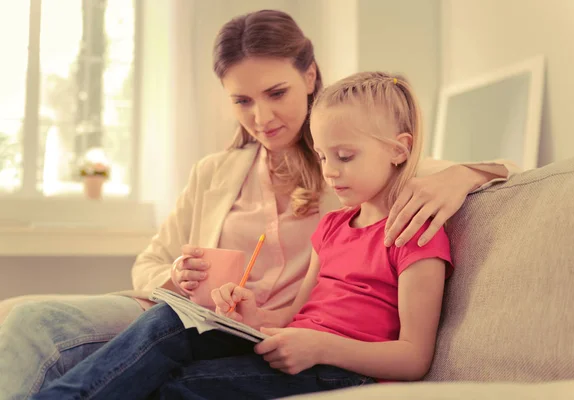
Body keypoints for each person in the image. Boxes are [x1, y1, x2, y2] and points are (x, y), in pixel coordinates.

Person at [0, 9, 518, 400]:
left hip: (309, 349)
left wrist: (466, 173)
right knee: (39, 320)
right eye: (242, 101)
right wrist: (184, 280)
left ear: (310, 77)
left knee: (176, 380)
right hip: (241, 323)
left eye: (276, 93)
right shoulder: (229, 177)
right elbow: (153, 266)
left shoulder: (366, 168)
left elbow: (494, 171)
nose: (262, 117)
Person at [33, 70, 454, 400]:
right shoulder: (331, 227)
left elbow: (414, 357)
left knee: (180, 387)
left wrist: (318, 347)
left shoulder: (414, 234)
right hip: (299, 354)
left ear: (399, 149)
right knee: (171, 319)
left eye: (345, 156)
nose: (329, 171)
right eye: (324, 156)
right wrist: (252, 317)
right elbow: (292, 319)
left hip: (343, 373)